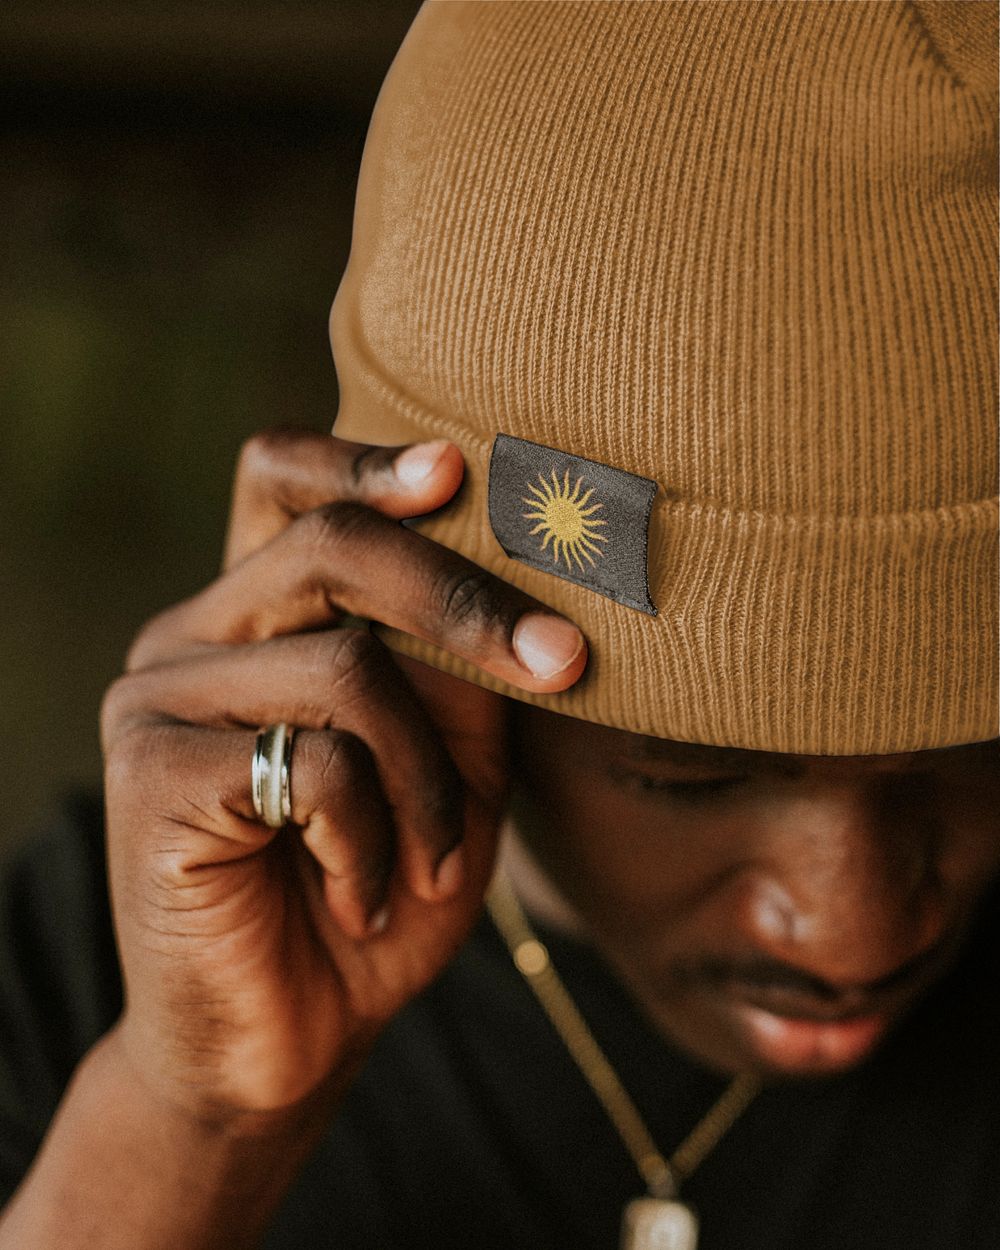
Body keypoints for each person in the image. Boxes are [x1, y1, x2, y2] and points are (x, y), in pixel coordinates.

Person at [0, 2, 997, 1248]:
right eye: (684, 776)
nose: (858, 925)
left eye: (971, 751)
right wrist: (193, 1124)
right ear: (411, 633)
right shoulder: (102, 967)